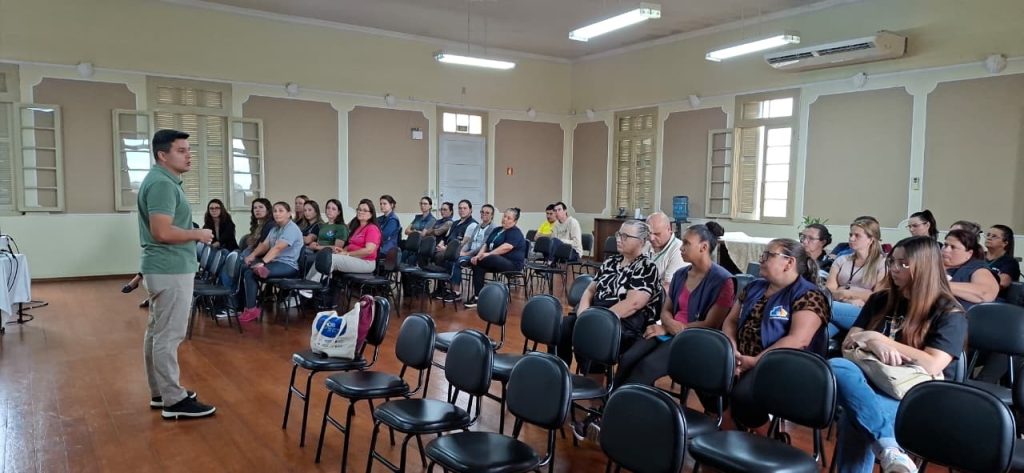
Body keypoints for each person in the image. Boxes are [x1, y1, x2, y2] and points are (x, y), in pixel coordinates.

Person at [830, 236, 967, 473]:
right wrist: (874, 345)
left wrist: (877, 338)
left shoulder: (949, 311)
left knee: (855, 419)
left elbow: (933, 364)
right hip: (869, 378)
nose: (894, 268)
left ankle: (887, 447)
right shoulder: (880, 299)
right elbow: (849, 343)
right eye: (892, 262)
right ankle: (890, 449)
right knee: (837, 365)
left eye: (903, 264)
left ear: (925, 267)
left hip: (912, 392)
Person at [137, 129, 216, 419]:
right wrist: (198, 233)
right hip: (170, 269)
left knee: (158, 332)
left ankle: (161, 392)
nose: (188, 155)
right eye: (181, 150)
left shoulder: (163, 180)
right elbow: (162, 231)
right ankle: (173, 399)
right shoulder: (162, 184)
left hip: (165, 267)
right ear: (162, 155)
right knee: (168, 336)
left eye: (188, 150)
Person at [723, 238, 829, 429]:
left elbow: (799, 340)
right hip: (740, 358)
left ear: (789, 263)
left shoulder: (808, 295)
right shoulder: (754, 287)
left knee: (743, 395)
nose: (761, 259)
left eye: (768, 255)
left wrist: (755, 361)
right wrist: (731, 350)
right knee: (705, 374)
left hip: (783, 366)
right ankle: (730, 427)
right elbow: (731, 321)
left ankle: (768, 438)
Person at [615, 224, 734, 386]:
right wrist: (667, 326)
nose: (681, 248)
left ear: (703, 247)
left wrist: (669, 328)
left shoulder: (723, 281)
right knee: (628, 358)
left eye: (686, 243)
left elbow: (710, 324)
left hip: (696, 338)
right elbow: (666, 309)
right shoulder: (680, 274)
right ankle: (614, 399)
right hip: (669, 330)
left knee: (646, 367)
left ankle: (624, 401)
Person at [558, 219, 662, 366]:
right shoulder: (611, 262)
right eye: (619, 234)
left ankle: (593, 377)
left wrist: (598, 320)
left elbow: (633, 304)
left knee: (596, 335)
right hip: (597, 312)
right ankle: (560, 369)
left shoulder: (646, 267)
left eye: (625, 236)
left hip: (623, 321)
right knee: (564, 327)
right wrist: (583, 314)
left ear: (641, 241)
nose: (618, 239)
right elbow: (590, 290)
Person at [238, 202, 303, 323]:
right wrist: (252, 256)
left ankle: (251, 309)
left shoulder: (292, 228)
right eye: (275, 211)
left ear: (289, 214)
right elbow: (264, 245)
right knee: (245, 269)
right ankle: (244, 307)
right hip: (274, 263)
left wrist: (262, 262)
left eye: (281, 211)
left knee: (251, 273)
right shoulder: (275, 229)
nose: (277, 213)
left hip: (288, 265)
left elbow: (278, 247)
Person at [826, 217, 887, 337]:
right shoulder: (841, 260)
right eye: (850, 234)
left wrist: (846, 293)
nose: (851, 238)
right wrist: (848, 299)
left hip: (864, 312)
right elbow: (829, 290)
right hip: (841, 305)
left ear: (871, 239)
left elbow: (878, 297)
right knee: (819, 331)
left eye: (857, 235)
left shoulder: (882, 263)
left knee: (820, 305)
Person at [465, 207, 529, 308]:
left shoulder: (515, 232)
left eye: (509, 218)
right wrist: (477, 256)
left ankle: (469, 261)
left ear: (515, 221)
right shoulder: (497, 230)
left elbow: (506, 247)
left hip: (512, 264)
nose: (505, 219)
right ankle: (478, 297)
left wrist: (488, 254)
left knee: (491, 258)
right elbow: (486, 245)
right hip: (496, 261)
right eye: (504, 216)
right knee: (477, 264)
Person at [306, 198, 381, 281]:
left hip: (366, 262)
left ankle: (313, 285)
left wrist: (348, 254)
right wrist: (342, 251)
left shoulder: (372, 228)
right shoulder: (357, 228)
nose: (360, 212)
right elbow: (350, 245)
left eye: (365, 210)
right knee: (323, 256)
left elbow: (369, 250)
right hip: (354, 258)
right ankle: (307, 282)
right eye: (359, 209)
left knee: (330, 259)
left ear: (371, 214)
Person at [442, 204, 495, 302]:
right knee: (452, 257)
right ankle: (449, 289)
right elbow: (470, 242)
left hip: (479, 255)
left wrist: (467, 254)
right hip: (470, 253)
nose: (484, 214)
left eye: (487, 213)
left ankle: (456, 292)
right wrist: (462, 251)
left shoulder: (492, 228)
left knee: (457, 261)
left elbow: (483, 246)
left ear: (492, 215)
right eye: (482, 212)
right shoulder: (478, 226)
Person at [942, 229, 999, 310]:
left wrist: (938, 286)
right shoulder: (932, 263)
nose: (946, 250)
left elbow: (985, 293)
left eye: (953, 247)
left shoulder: (976, 267)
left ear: (969, 253)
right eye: (945, 245)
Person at [646, 211, 686, 290]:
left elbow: (669, 287)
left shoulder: (678, 249)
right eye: (649, 233)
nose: (651, 238)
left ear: (669, 229)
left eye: (657, 234)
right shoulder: (646, 244)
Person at [984, 225, 1020, 300]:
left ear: (1005, 243)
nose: (989, 238)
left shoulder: (1010, 262)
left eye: (994, 236)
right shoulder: (977, 256)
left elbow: (1002, 283)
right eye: (988, 235)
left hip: (996, 299)